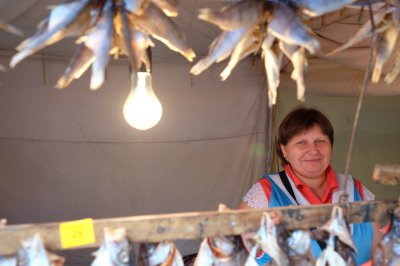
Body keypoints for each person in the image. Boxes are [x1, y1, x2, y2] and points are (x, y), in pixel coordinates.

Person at [238, 106, 381, 265]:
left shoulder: (355, 189)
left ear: (330, 145)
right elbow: (241, 254)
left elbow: (380, 252)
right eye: (301, 142)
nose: (313, 150)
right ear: (283, 150)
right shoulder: (265, 193)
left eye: (320, 141)